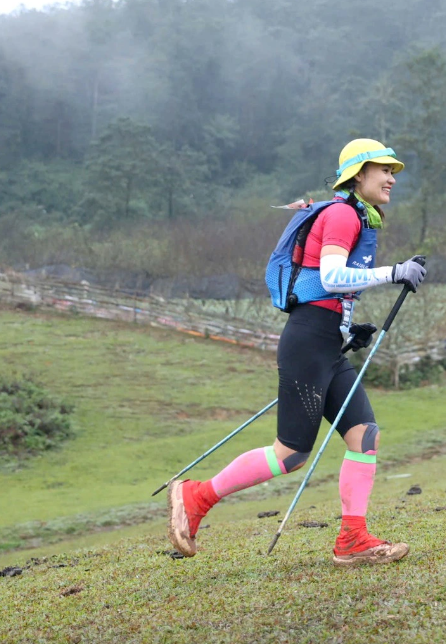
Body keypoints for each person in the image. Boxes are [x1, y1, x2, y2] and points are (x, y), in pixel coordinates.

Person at [167, 139, 426, 566]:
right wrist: (395, 272)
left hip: (326, 342)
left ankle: (353, 539)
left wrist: (346, 329)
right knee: (290, 454)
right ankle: (196, 496)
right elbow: (331, 274)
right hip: (307, 342)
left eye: (393, 171)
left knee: (365, 434)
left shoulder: (356, 215)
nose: (392, 178)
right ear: (358, 174)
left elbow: (330, 290)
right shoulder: (343, 213)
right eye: (384, 170)